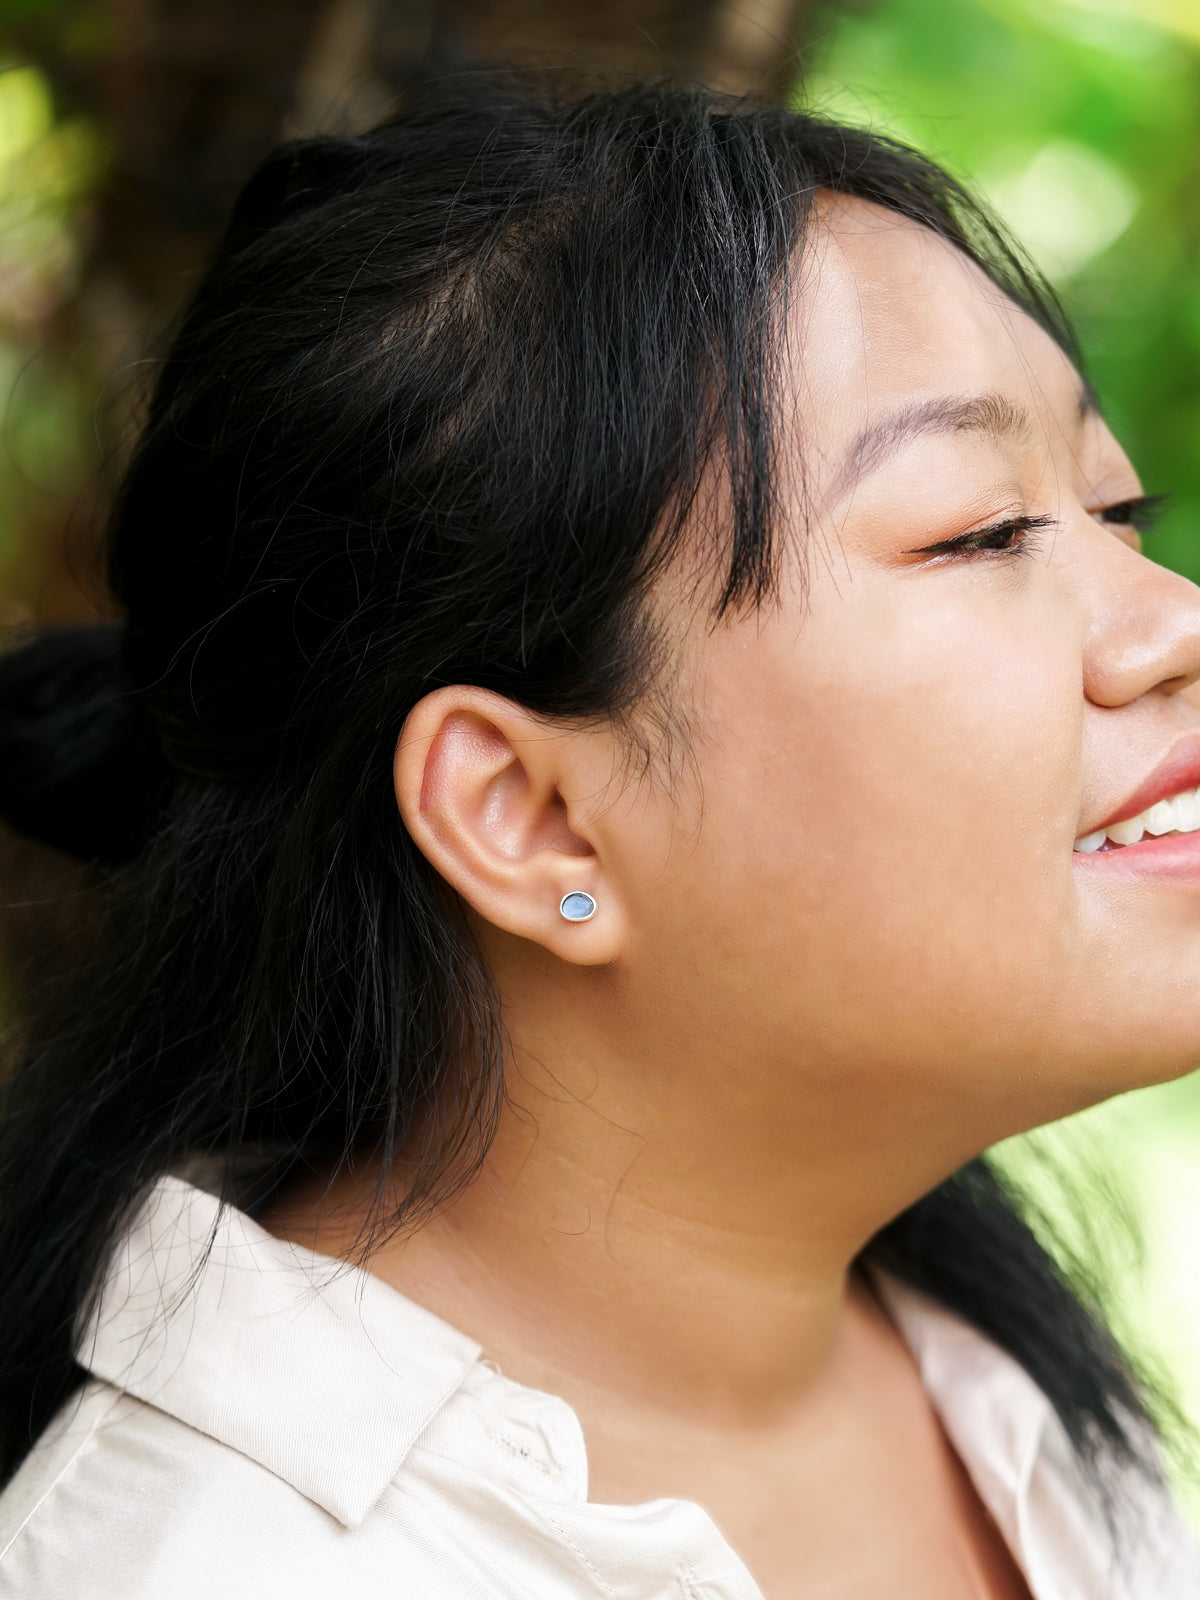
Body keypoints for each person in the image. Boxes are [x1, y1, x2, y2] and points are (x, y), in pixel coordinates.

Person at [0, 75, 1197, 1600]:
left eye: (1116, 507)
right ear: (531, 818)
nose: (1171, 621)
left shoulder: (987, 1375)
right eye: (981, 530)